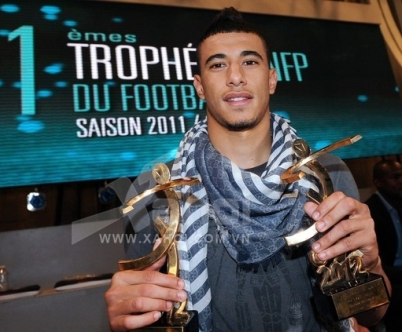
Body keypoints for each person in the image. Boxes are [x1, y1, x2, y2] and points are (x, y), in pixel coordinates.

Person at [105, 7, 391, 332]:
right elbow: (151, 316)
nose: (235, 76)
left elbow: (372, 314)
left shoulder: (327, 173)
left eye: (250, 61)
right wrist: (132, 314)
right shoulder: (158, 190)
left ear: (271, 78)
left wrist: (372, 264)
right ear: (199, 86)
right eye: (218, 64)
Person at [365, 159, 402, 332]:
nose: (400, 181)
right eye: (394, 177)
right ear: (377, 183)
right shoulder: (369, 212)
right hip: (388, 277)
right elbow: (371, 262)